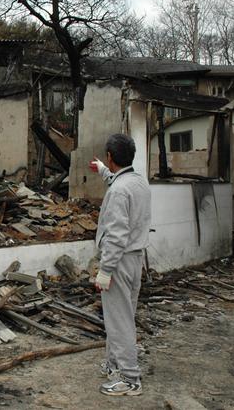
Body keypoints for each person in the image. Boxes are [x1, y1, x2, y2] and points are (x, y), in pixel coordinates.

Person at [89, 133, 151, 396]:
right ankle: (115, 365)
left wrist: (105, 270)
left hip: (119, 261)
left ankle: (129, 378)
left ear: (111, 156)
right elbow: (116, 180)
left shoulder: (118, 191)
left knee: (119, 321)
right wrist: (103, 171)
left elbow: (115, 235)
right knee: (124, 316)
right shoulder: (138, 183)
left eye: (106, 160)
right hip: (135, 259)